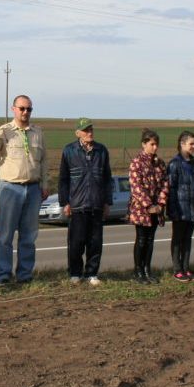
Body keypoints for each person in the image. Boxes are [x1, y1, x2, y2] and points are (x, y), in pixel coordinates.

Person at [0, 95, 48, 284]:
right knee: (5, 236)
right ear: (13, 109)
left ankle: (24, 275)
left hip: (33, 189)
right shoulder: (4, 131)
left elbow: (44, 160)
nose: (25, 112)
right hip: (10, 189)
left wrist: (45, 185)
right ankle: (4, 275)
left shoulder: (38, 132)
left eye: (29, 109)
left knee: (28, 236)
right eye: (22, 108)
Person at [58, 118, 113, 285]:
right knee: (76, 242)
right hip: (77, 205)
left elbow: (107, 178)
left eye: (91, 129)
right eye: (85, 130)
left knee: (95, 242)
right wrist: (65, 202)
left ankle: (92, 273)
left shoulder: (101, 150)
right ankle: (75, 273)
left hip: (96, 204)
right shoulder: (69, 151)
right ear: (78, 133)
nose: (89, 132)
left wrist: (107, 202)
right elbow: (63, 179)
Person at [128, 128, 168, 284]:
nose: (155, 147)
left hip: (156, 208)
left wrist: (160, 203)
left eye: (156, 144)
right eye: (152, 144)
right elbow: (136, 186)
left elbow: (165, 184)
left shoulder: (159, 163)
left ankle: (147, 269)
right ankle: (138, 271)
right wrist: (148, 205)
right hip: (141, 209)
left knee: (151, 240)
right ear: (144, 144)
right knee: (141, 239)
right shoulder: (136, 162)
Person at [167, 130, 194, 282]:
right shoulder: (175, 164)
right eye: (191, 143)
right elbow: (170, 188)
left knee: (187, 239)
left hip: (193, 208)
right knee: (177, 239)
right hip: (180, 208)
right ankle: (177, 270)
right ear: (182, 144)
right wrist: (173, 210)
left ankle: (186, 268)